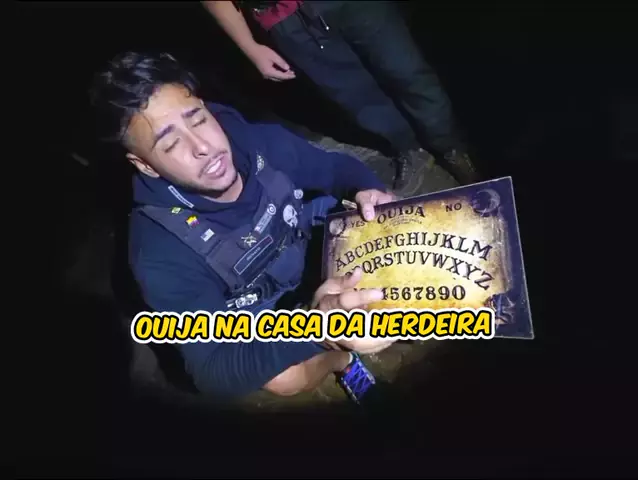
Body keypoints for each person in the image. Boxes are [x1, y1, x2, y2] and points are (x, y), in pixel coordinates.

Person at [89, 51, 400, 403]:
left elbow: (334, 169)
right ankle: (342, 361)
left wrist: (367, 190)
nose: (203, 147)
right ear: (144, 165)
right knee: (284, 379)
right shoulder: (158, 251)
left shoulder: (258, 141)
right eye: (171, 143)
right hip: (266, 310)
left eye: (198, 119)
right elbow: (212, 369)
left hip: (314, 246)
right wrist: (319, 329)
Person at [201, 0, 481, 195]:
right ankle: (408, 148)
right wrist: (250, 47)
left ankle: (450, 147)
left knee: (407, 71)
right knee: (357, 98)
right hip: (283, 18)